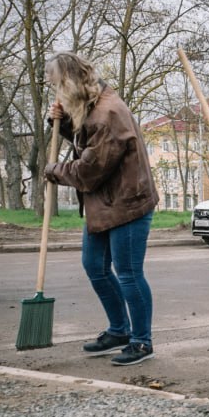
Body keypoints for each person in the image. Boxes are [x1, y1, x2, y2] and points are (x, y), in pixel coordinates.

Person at [44, 52, 159, 367]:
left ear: (70, 84)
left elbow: (88, 171)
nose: (53, 89)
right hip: (104, 203)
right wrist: (64, 122)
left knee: (129, 273)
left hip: (127, 203)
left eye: (56, 84)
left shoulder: (108, 113)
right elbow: (87, 139)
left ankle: (141, 341)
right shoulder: (91, 107)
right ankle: (119, 330)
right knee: (94, 265)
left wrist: (54, 170)